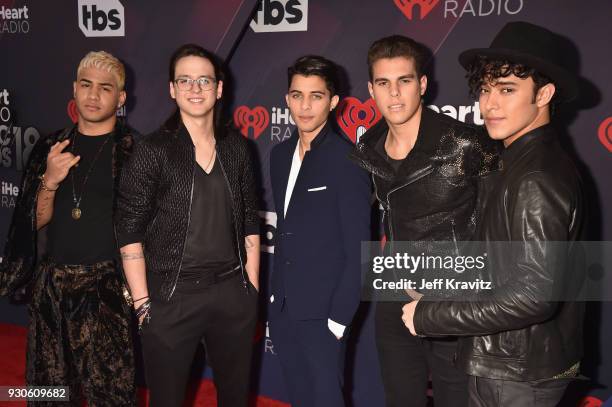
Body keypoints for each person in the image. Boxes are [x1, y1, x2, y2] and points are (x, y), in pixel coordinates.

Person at [401, 21, 585, 407]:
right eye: (485, 89)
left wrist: (430, 316)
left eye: (507, 89)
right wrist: (440, 292)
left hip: (518, 371)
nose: (489, 104)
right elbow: (501, 269)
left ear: (545, 93)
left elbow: (533, 297)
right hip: (509, 363)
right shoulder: (516, 160)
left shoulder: (536, 175)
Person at [349, 35, 500, 407]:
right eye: (383, 83)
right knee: (400, 398)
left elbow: (498, 228)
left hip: (454, 300)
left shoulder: (467, 144)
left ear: (422, 85)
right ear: (371, 89)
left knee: (457, 399)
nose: (394, 94)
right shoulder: (367, 148)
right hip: (394, 295)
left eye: (404, 81)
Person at [115, 43, 260, 407]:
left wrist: (251, 290)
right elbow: (129, 229)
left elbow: (249, 222)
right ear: (172, 89)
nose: (195, 89)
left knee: (235, 398)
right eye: (185, 80)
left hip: (231, 293)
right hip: (172, 297)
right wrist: (144, 305)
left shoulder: (238, 148)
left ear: (219, 88)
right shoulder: (153, 150)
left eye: (204, 80)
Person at [0, 51, 136, 406]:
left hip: (106, 290)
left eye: (104, 88)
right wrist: (50, 180)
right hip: (53, 291)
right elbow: (34, 223)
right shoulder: (49, 147)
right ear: (74, 89)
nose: (93, 96)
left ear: (120, 98)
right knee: (49, 394)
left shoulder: (135, 152)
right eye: (86, 85)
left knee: (111, 396)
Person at [268, 55, 371, 407]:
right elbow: (286, 231)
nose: (305, 105)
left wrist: (338, 321)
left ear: (333, 101)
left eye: (316, 95)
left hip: (324, 316)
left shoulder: (348, 161)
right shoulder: (279, 156)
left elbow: (360, 248)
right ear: (287, 99)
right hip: (283, 311)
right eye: (297, 95)